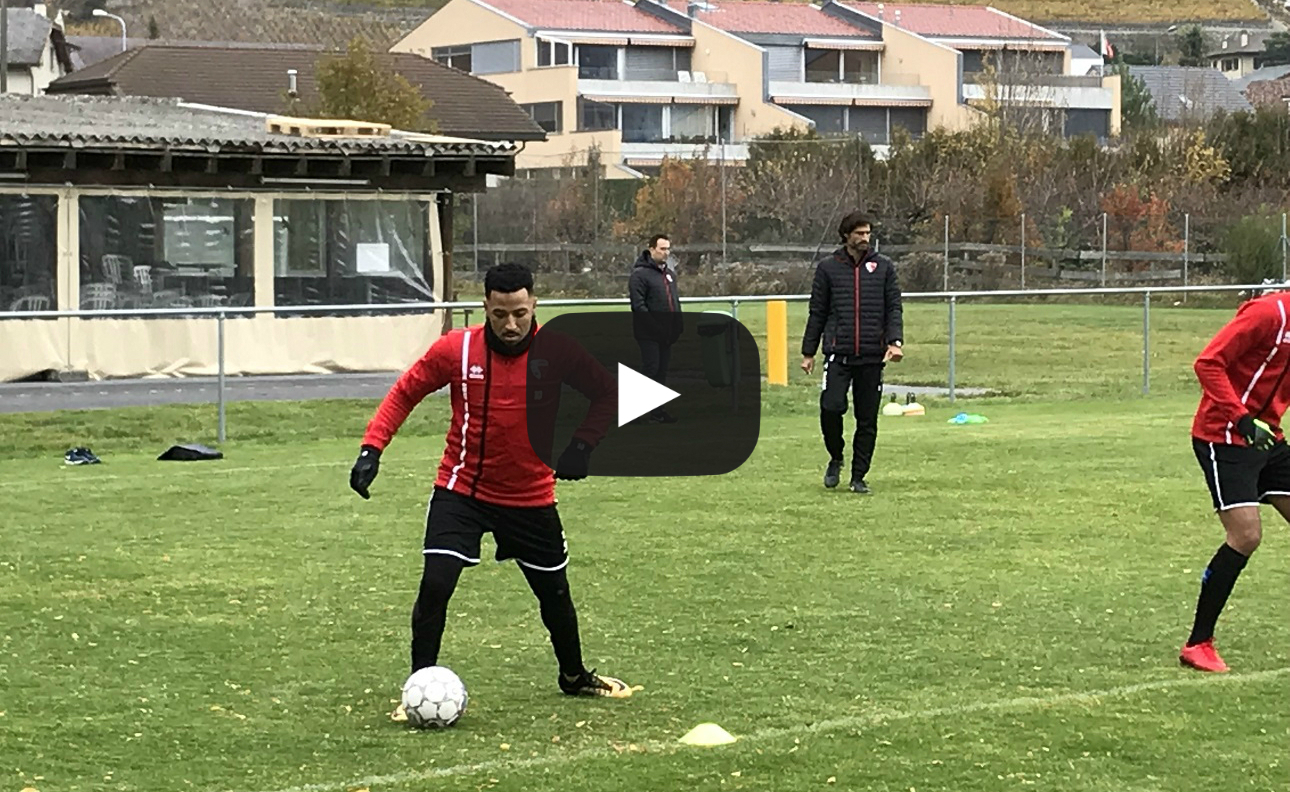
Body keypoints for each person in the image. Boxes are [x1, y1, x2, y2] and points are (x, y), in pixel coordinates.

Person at [349, 263, 633, 715]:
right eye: (500, 314)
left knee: (555, 594)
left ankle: (574, 676)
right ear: (485, 307)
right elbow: (405, 392)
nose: (511, 324)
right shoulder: (456, 351)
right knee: (435, 585)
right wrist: (372, 448)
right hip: (462, 490)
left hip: (530, 497)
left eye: (519, 312)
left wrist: (582, 446)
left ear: (534, 304)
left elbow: (608, 393)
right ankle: (417, 688)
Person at [1182, 290, 1290, 672]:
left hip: (1269, 438)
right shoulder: (1269, 313)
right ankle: (1198, 643)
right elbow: (1208, 363)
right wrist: (1242, 419)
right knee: (1246, 535)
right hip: (1222, 436)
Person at [800, 211, 904, 495]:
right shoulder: (828, 268)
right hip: (838, 353)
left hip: (872, 356)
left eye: (868, 233)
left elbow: (893, 307)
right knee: (831, 407)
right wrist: (808, 352)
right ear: (846, 235)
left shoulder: (884, 267)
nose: (865, 238)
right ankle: (836, 456)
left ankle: (859, 476)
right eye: (859, 233)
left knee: (867, 418)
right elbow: (817, 312)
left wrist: (895, 341)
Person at [628, 233, 682, 424]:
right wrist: (654, 326)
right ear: (651, 249)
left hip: (667, 333)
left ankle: (657, 412)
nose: (666, 253)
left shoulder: (669, 275)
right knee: (650, 369)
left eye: (668, 249)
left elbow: (674, 301)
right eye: (662, 249)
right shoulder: (639, 275)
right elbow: (638, 305)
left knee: (661, 371)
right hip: (648, 334)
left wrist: (678, 324)